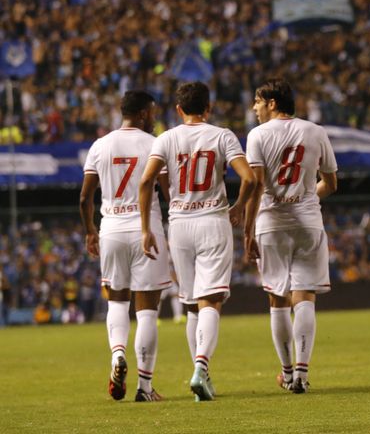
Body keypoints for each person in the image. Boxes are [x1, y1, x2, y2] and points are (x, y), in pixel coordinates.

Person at [138, 81, 257, 401]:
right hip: (212, 221)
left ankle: (200, 373)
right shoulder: (222, 136)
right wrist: (239, 207)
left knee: (191, 304)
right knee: (211, 301)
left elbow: (147, 179)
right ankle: (201, 368)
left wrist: (145, 227)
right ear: (209, 108)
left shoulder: (165, 138)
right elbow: (249, 178)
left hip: (179, 225)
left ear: (178, 110)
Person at [243, 79, 338, 394]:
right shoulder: (315, 131)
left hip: (271, 223)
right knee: (305, 296)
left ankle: (286, 373)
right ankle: (302, 373)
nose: (254, 109)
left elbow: (256, 185)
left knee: (278, 299)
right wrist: (309, 196)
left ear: (271, 103)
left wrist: (247, 230)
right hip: (308, 222)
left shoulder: (257, 135)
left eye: (257, 102)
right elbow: (331, 184)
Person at [79, 90, 172, 402]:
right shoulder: (154, 143)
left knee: (116, 302)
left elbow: (84, 198)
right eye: (153, 113)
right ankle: (145, 388)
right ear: (144, 113)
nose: (155, 118)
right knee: (147, 310)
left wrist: (91, 230)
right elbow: (166, 190)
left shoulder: (99, 145)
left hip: (112, 229)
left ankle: (117, 355)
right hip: (146, 228)